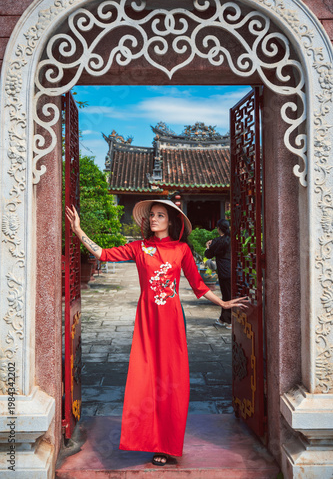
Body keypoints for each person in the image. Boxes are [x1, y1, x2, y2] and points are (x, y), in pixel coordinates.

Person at [65, 200, 248, 466]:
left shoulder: (182, 249)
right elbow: (103, 254)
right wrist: (79, 231)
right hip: (147, 320)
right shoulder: (139, 247)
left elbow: (197, 284)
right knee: (144, 378)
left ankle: (165, 443)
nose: (153, 219)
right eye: (151, 215)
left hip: (172, 321)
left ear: (171, 221)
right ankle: (148, 439)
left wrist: (222, 303)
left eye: (159, 215)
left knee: (172, 380)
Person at [205, 219, 232, 329]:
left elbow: (208, 254)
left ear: (219, 228)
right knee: (228, 295)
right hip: (234, 269)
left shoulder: (218, 241)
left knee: (226, 295)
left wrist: (208, 246)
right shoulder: (231, 240)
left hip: (224, 271)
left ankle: (229, 321)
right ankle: (223, 319)